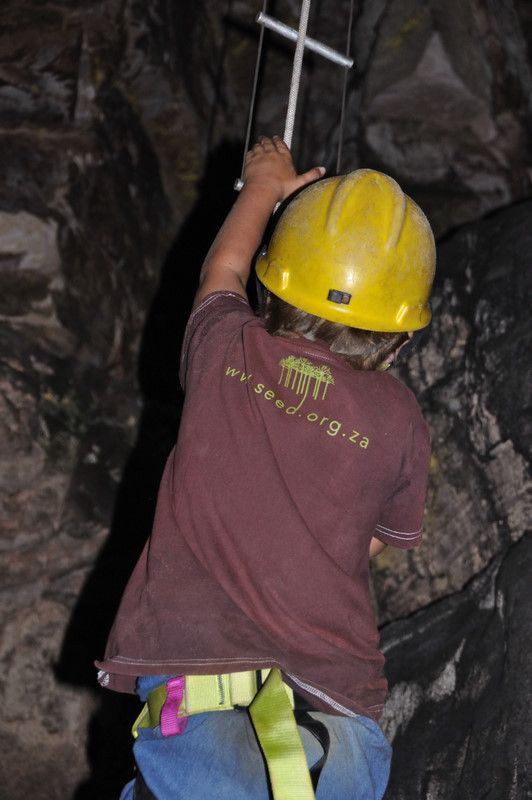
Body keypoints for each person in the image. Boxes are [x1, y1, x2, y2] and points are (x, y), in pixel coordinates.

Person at [95, 135, 436, 800]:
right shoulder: (401, 419)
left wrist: (264, 183)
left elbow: (219, 270)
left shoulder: (227, 346)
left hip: (199, 699)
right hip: (336, 729)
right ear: (400, 339)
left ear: (272, 283)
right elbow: (364, 542)